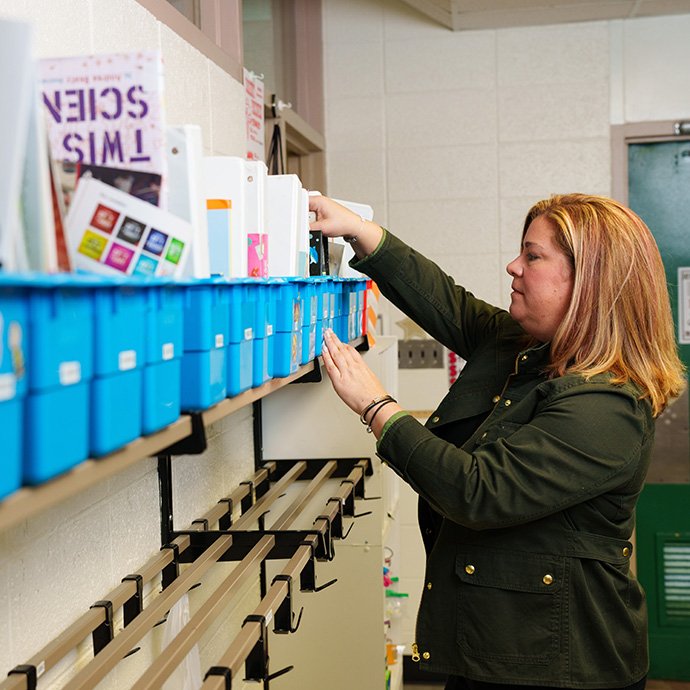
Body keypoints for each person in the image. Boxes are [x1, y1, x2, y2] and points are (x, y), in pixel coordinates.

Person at [309, 192, 686, 690]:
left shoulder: (607, 405)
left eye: (532, 256)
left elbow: (479, 492)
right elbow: (451, 305)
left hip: (560, 665)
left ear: (589, 282)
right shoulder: (529, 347)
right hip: (496, 647)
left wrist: (378, 408)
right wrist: (360, 230)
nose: (513, 266)